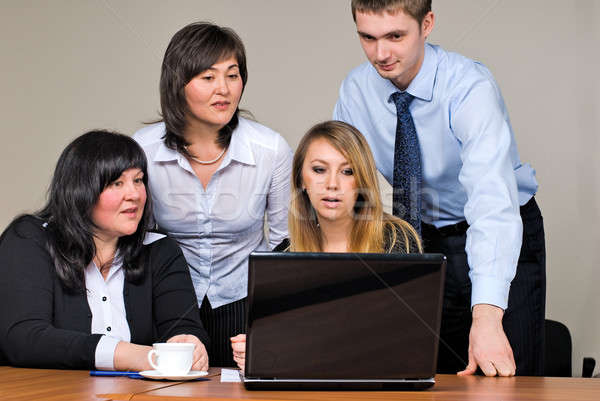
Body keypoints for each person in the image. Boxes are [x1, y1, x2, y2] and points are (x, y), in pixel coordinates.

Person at [332, 0, 546, 377]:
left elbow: (491, 200)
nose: (380, 54)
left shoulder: (469, 87)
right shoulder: (356, 90)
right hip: (422, 237)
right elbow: (346, 189)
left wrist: (486, 318)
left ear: (427, 23)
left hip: (497, 228)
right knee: (435, 373)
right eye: (367, 37)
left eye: (395, 36)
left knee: (507, 373)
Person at [133, 22, 292, 367]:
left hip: (246, 302)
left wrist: (276, 324)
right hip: (167, 303)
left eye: (232, 75)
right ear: (178, 83)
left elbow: (285, 242)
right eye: (208, 77)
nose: (224, 89)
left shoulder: (270, 149)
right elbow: (133, 240)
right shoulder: (142, 150)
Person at [0, 130, 209, 371]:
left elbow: (184, 327)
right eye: (116, 183)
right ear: (80, 191)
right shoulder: (29, 239)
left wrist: (189, 344)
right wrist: (126, 354)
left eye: (138, 180)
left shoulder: (160, 249)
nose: (134, 195)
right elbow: (23, 338)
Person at [230, 120, 422, 370]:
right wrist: (260, 353)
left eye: (348, 171)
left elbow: (404, 346)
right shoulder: (285, 256)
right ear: (301, 180)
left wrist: (297, 351)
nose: (332, 184)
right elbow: (283, 346)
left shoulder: (397, 241)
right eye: (319, 170)